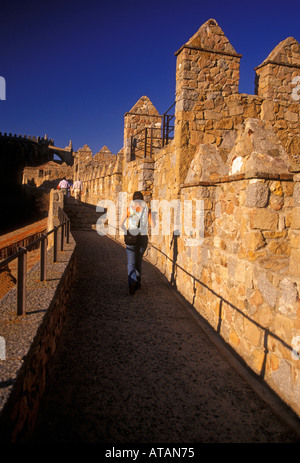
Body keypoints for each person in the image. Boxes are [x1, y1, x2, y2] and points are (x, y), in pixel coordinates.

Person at [120, 191, 155, 295]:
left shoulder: (129, 209)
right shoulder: (147, 210)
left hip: (131, 237)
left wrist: (126, 231)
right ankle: (138, 284)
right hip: (142, 238)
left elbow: (121, 224)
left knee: (131, 262)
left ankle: (132, 281)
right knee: (138, 261)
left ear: (133, 200)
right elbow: (153, 225)